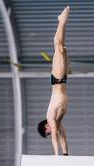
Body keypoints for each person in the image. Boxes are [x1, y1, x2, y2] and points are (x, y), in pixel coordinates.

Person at [37, 6, 70, 156]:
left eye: (47, 132)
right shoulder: (58, 121)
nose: (51, 132)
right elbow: (63, 136)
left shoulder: (51, 117)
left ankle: (61, 20)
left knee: (59, 47)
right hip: (61, 80)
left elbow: (55, 136)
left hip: (57, 80)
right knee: (61, 47)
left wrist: (56, 157)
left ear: (46, 126)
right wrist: (66, 155)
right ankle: (61, 21)